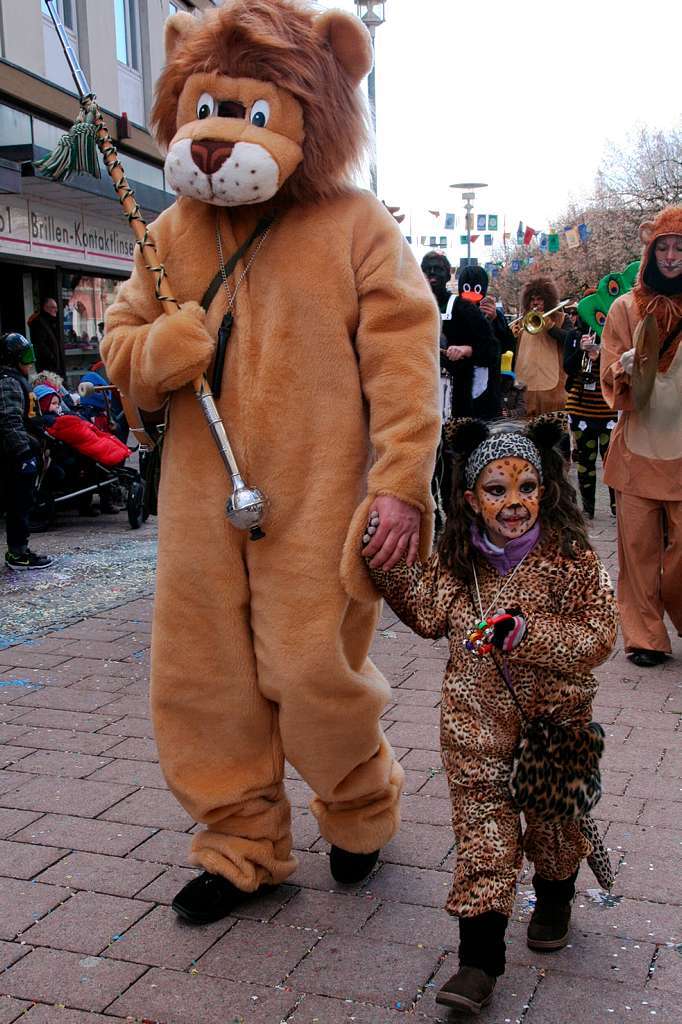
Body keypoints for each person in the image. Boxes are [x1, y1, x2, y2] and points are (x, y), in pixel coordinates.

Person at [101, 0, 441, 923]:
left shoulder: (356, 224)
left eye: (249, 115)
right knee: (200, 681)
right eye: (204, 109)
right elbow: (120, 339)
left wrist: (401, 485)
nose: (215, 140)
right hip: (201, 507)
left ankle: (361, 806)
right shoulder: (167, 232)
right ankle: (242, 843)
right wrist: (154, 353)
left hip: (322, 499)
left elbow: (406, 360)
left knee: (311, 674)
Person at [363, 417, 617, 1015]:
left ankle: (555, 896)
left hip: (557, 726)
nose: (513, 504)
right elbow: (426, 612)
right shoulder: (460, 564)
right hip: (474, 727)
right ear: (471, 498)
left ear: (545, 489)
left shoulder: (572, 558)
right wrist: (383, 558)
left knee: (555, 829)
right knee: (484, 837)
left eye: (526, 487)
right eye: (496, 490)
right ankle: (478, 960)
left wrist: (526, 634)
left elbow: (599, 638)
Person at [600, 206, 682, 668]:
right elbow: (610, 375)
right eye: (663, 247)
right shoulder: (624, 307)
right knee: (637, 552)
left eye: (679, 248)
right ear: (650, 251)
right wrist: (622, 366)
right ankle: (645, 635)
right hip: (636, 450)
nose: (671, 256)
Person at [421, 253, 498, 419]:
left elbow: (492, 350)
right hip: (419, 397)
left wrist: (467, 350)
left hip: (457, 401)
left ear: (448, 275)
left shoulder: (463, 308)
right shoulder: (411, 309)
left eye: (438, 269)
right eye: (427, 270)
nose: (432, 273)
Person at [0, 333, 52, 570]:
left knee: (22, 503)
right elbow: (9, 421)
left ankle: (19, 550)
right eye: (25, 356)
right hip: (13, 457)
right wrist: (23, 454)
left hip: (26, 451)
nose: (30, 362)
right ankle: (18, 554)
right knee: (17, 505)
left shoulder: (17, 379)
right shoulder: (8, 381)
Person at [564, 305, 617, 519]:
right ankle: (587, 508)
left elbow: (618, 370)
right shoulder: (574, 336)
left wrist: (602, 352)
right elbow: (567, 367)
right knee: (585, 462)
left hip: (608, 412)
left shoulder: (613, 336)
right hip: (581, 410)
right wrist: (582, 350)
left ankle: (616, 505)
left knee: (612, 462)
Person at [513, 277, 570, 416]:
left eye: (539, 299)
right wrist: (511, 336)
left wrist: (550, 326)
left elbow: (570, 340)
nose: (535, 303)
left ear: (548, 299)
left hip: (553, 388)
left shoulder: (561, 318)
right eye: (532, 299)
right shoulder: (522, 321)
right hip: (525, 385)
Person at [28, 298, 63, 376]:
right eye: (53, 307)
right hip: (47, 366)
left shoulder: (50, 321)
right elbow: (40, 344)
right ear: (46, 308)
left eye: (56, 307)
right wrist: (52, 357)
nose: (56, 310)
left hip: (53, 365)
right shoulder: (39, 322)